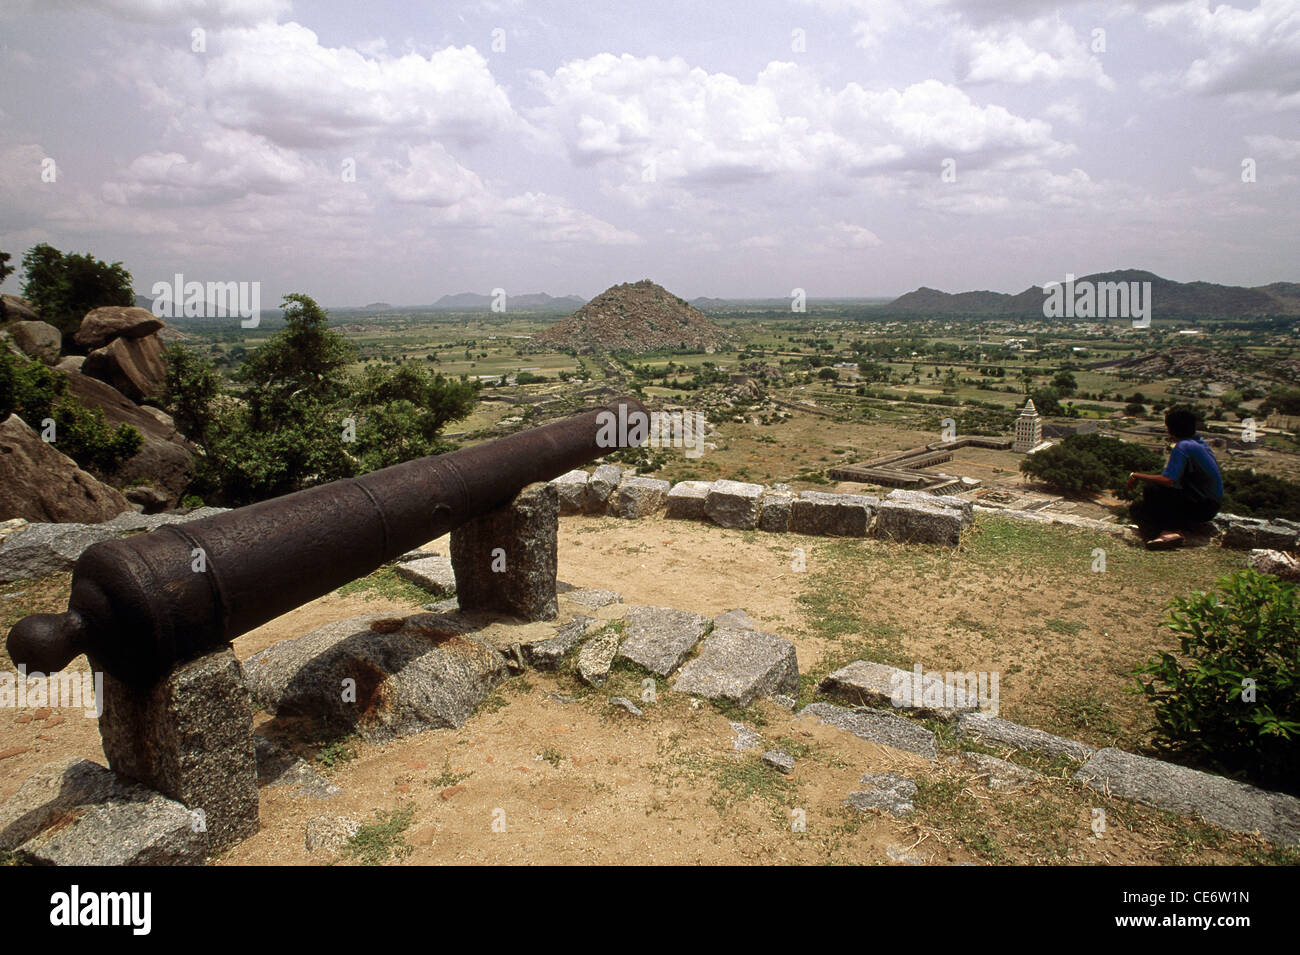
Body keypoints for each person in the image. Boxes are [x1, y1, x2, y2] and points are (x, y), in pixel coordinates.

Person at [1124, 408, 1223, 550]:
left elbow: (1168, 480)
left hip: (1202, 507)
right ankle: (1165, 534)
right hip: (1211, 506)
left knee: (1151, 491)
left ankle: (1169, 533)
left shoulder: (1182, 446)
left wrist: (1136, 475)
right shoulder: (1200, 444)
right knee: (1141, 507)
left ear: (1170, 430)